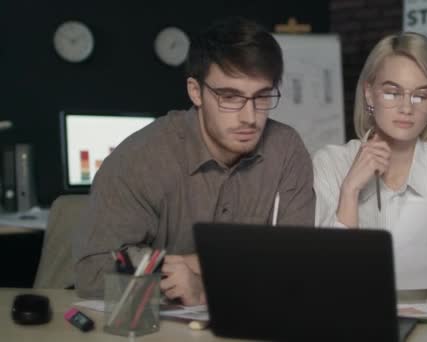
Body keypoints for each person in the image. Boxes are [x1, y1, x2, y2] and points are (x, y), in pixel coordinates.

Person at [73, 17, 315, 304]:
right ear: (195, 91)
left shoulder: (286, 149)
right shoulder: (141, 157)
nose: (249, 117)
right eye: (230, 97)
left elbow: (296, 266)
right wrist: (180, 279)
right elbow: (93, 272)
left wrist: (201, 278)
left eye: (261, 97)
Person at [313, 32, 427, 281]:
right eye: (392, 92)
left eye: (420, 96)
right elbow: (328, 273)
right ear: (369, 94)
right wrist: (350, 190)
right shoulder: (330, 164)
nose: (406, 108)